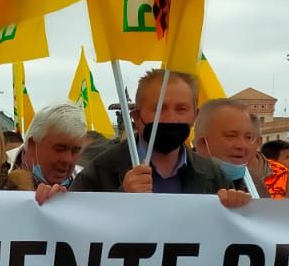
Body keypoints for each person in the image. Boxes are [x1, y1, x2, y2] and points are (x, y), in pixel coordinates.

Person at [73, 69, 204, 194]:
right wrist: (121, 196)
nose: (171, 118)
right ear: (136, 117)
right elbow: (74, 213)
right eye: (158, 109)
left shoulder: (214, 176)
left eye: (181, 109)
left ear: (195, 116)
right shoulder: (100, 171)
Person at [195, 99, 266, 197]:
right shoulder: (181, 183)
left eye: (248, 137)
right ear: (202, 143)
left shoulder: (255, 184)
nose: (242, 145)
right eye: (231, 136)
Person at [17, 102, 85, 193]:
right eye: (60, 149)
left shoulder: (89, 181)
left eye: (75, 151)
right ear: (32, 145)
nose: (68, 160)